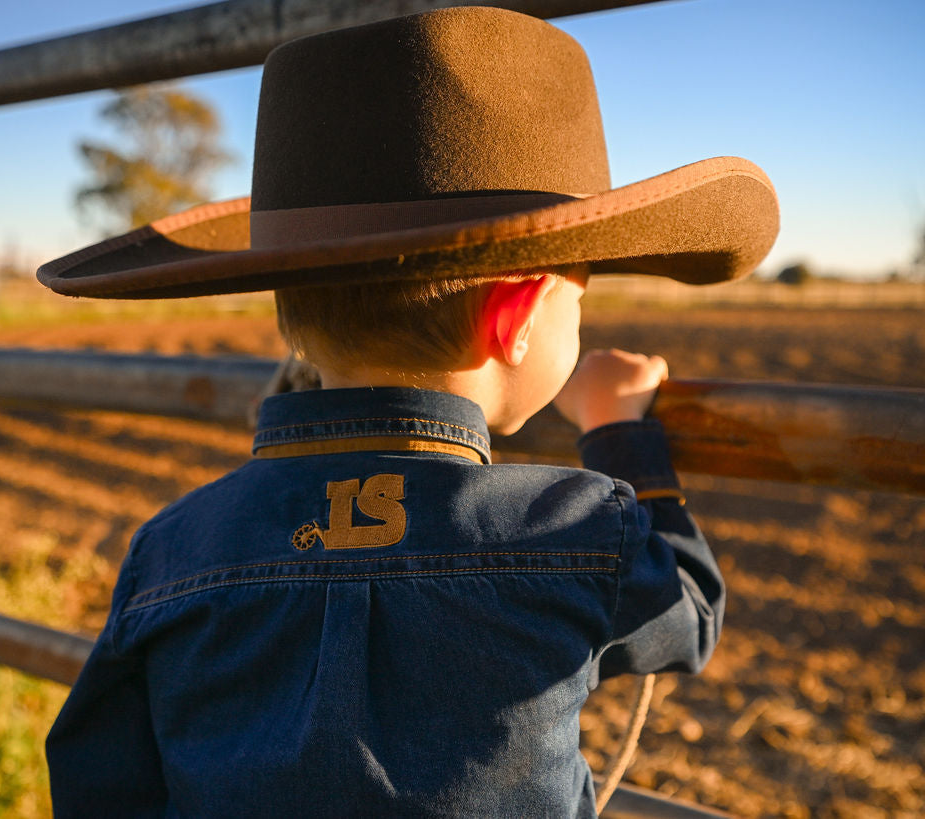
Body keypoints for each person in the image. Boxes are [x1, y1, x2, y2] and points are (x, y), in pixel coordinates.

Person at [40, 6, 778, 817]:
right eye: (581, 297)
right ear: (519, 318)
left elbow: (99, 777)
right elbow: (688, 610)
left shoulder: (173, 551)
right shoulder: (576, 530)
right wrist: (621, 431)